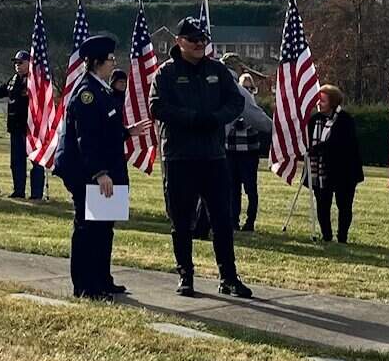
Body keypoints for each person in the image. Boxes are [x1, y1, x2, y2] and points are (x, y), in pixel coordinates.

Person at [149, 17, 252, 298]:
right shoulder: (166, 73)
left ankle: (228, 277)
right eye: (193, 39)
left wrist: (217, 119)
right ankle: (186, 276)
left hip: (214, 156)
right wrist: (193, 119)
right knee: (182, 221)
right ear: (179, 42)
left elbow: (236, 102)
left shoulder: (217, 71)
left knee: (222, 219)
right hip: (180, 157)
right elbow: (157, 106)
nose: (199, 44)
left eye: (203, 39)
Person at [55, 36, 151, 300]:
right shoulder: (86, 93)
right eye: (110, 60)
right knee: (89, 229)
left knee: (104, 227)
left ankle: (102, 279)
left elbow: (106, 130)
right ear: (97, 62)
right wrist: (100, 173)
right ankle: (86, 285)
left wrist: (127, 132)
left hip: (106, 167)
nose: (113, 63)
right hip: (88, 172)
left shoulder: (102, 90)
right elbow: (86, 137)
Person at [0, 52, 44, 199]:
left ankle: (36, 193)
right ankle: (18, 191)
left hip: (31, 128)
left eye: (21, 62)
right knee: (17, 161)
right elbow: (0, 91)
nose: (17, 65)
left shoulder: (35, 80)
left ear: (29, 63)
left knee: (35, 161)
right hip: (15, 127)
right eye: (16, 63)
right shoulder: (13, 80)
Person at [305, 84, 364, 243]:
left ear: (332, 102)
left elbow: (343, 144)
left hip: (344, 172)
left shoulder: (345, 120)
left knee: (344, 205)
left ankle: (342, 236)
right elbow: (307, 142)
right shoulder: (314, 120)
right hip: (320, 172)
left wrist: (319, 149)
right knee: (322, 204)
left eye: (322, 101)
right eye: (318, 100)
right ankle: (326, 235)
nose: (319, 103)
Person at [223, 57, 271, 232]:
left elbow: (257, 121)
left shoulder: (249, 102)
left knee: (250, 188)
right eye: (246, 88)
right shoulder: (236, 95)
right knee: (232, 188)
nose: (249, 91)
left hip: (249, 152)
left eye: (252, 88)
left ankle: (250, 222)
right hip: (231, 150)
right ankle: (233, 220)